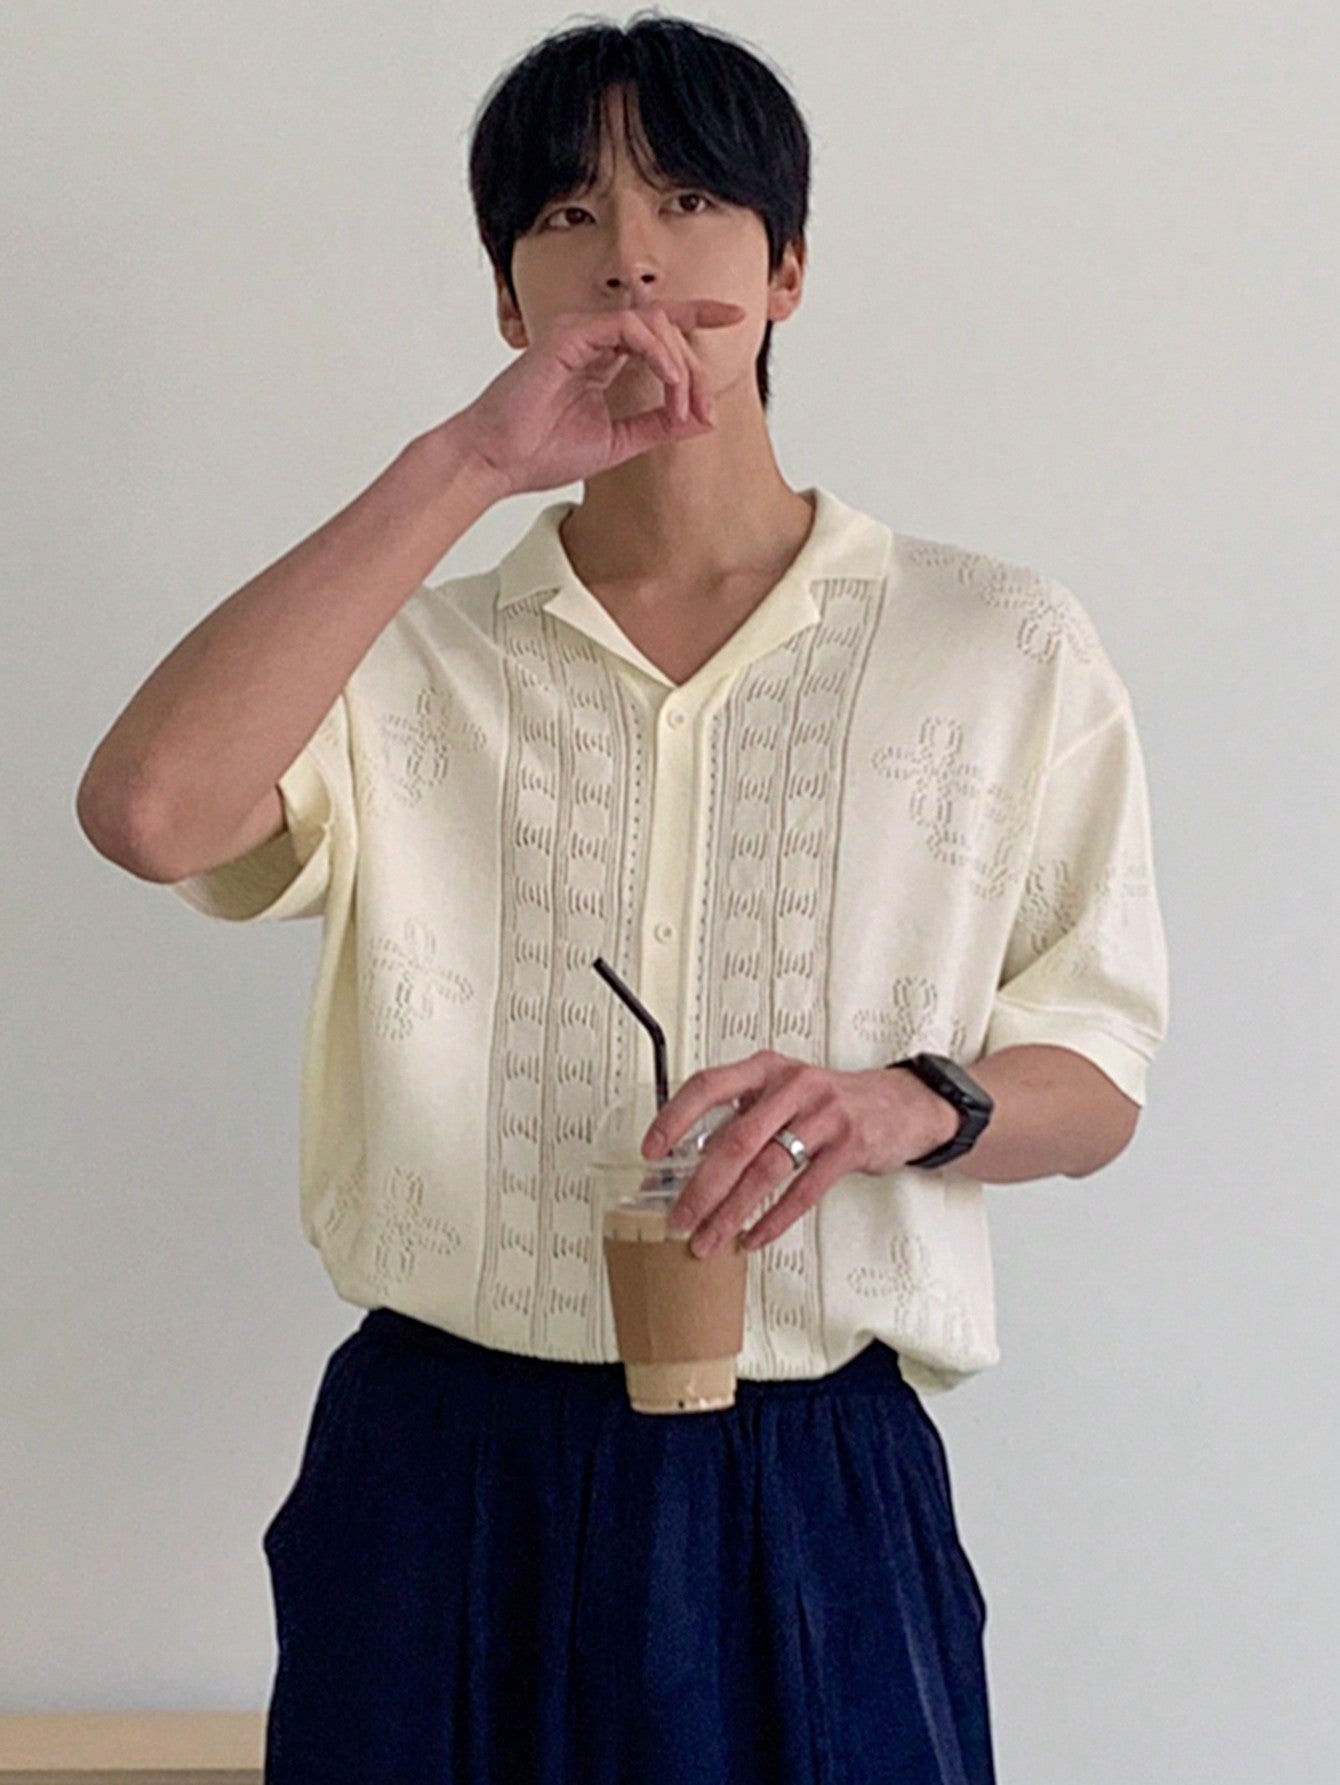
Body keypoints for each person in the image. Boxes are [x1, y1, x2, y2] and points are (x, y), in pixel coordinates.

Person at [76, 12, 1169, 1784]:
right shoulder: (395, 658)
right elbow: (148, 810)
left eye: (688, 200)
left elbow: (1099, 1073)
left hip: (814, 1481)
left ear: (787, 267)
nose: (635, 256)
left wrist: (905, 1102)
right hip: (441, 1471)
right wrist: (467, 466)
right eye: (570, 215)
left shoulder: (998, 645)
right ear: (510, 298)